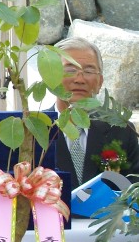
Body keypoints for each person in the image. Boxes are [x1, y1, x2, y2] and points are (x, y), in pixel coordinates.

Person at [52, 37, 139, 189]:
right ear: (51, 78)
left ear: (100, 82)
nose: (80, 79)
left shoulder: (121, 131)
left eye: (89, 71)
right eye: (70, 70)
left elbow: (134, 189)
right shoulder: (33, 131)